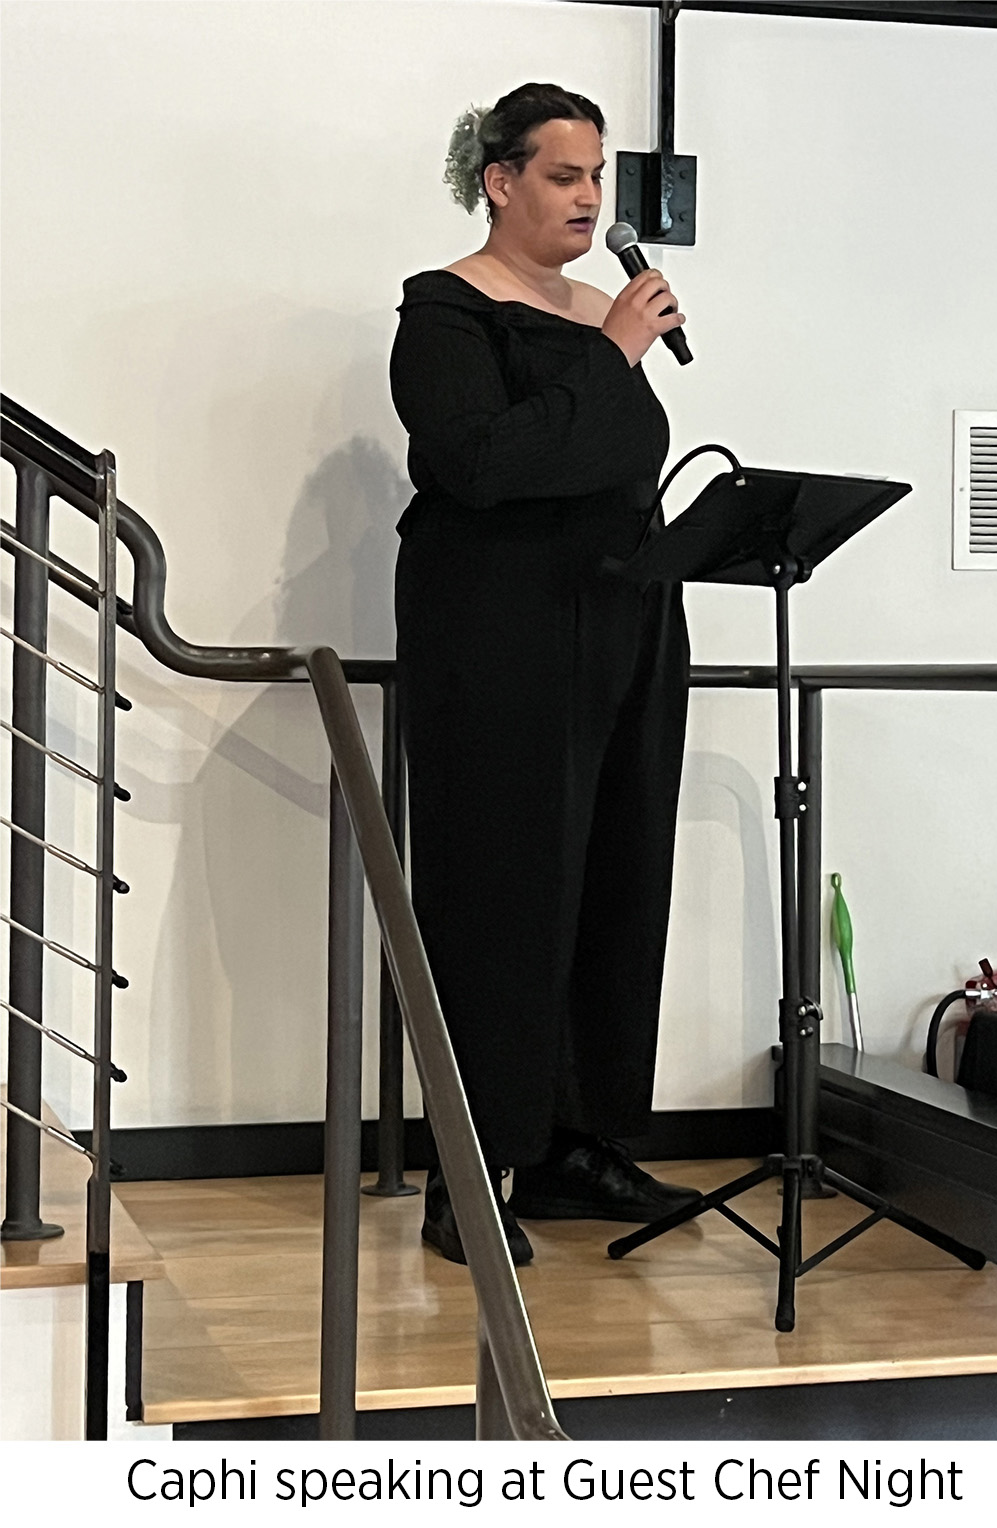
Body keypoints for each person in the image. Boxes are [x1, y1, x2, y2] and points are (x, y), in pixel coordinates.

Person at [389, 83, 700, 1266]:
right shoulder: (449, 312)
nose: (588, 198)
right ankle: (467, 1177)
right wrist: (614, 356)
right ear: (501, 181)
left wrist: (611, 351)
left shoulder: (596, 313)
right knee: (502, 893)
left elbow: (610, 457)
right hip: (502, 636)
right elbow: (479, 464)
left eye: (598, 176)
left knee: (619, 877)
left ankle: (577, 1141)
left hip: (624, 618)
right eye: (564, 175)